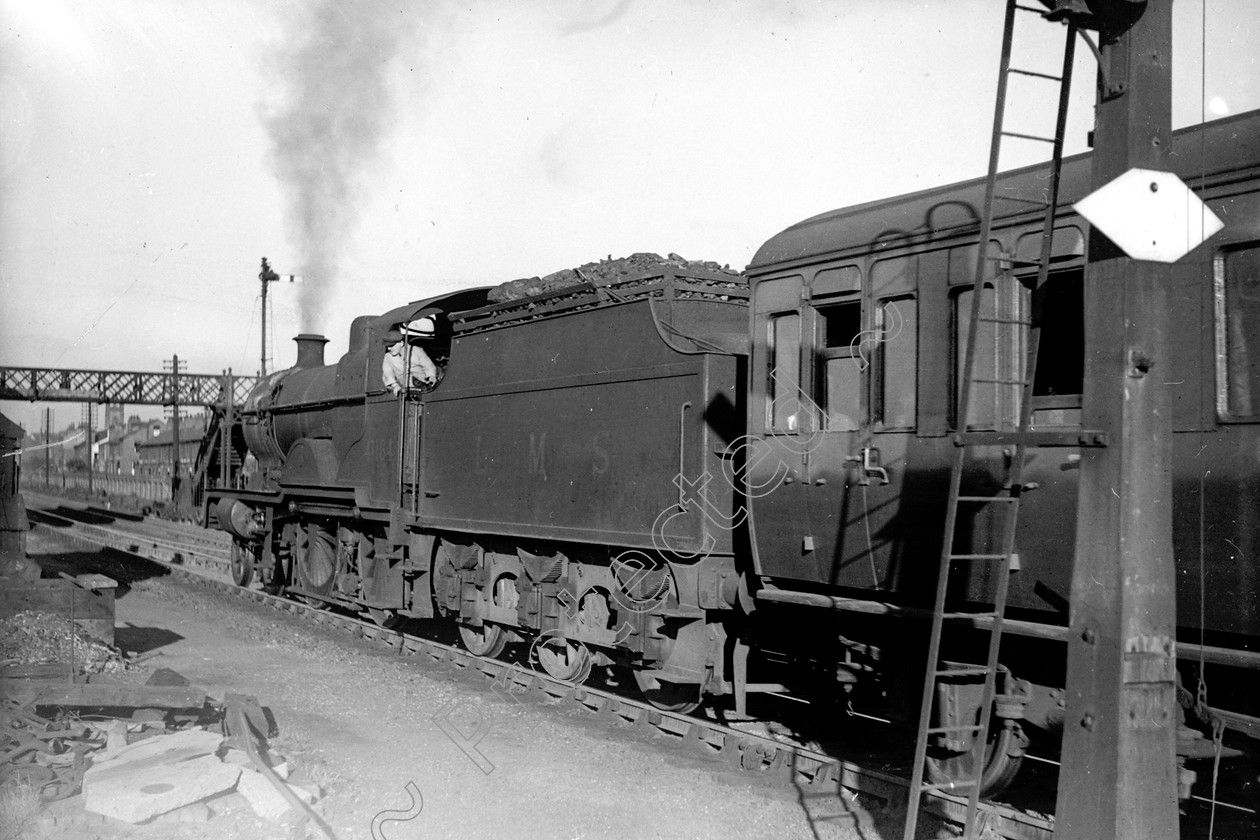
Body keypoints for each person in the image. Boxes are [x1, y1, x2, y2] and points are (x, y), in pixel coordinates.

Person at [382, 317, 441, 396]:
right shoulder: (388, 357)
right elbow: (388, 375)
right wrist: (395, 386)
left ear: (401, 343)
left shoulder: (416, 350)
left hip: (424, 386)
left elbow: (428, 365)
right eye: (388, 346)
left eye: (392, 345)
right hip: (406, 390)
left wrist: (431, 376)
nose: (389, 348)